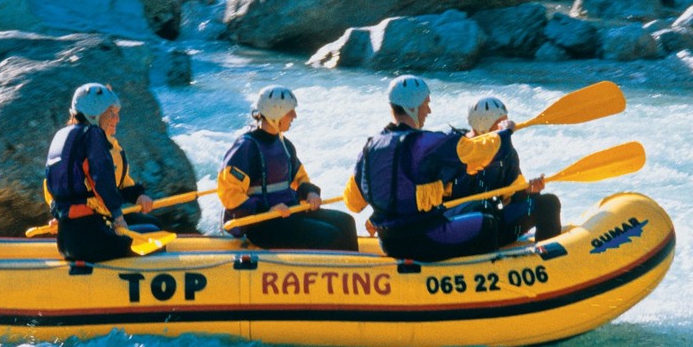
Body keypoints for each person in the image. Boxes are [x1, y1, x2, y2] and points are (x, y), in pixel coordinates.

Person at [343, 75, 508, 263]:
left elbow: (352, 203)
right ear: (412, 108)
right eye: (426, 104)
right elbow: (482, 153)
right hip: (425, 238)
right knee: (487, 223)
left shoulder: (370, 147)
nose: (428, 110)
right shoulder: (424, 143)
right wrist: (505, 132)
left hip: (388, 241)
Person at [219, 86, 360, 252]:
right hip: (262, 223)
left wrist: (309, 192)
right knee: (329, 236)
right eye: (290, 112)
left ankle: (353, 272)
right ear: (275, 114)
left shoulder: (284, 145)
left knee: (346, 222)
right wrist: (266, 210)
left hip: (287, 213)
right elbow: (229, 192)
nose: (294, 116)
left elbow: (300, 178)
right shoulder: (246, 148)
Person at [45, 82, 162, 263]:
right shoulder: (93, 136)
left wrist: (59, 217)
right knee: (155, 233)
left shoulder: (63, 136)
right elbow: (102, 181)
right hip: (91, 240)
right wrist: (118, 217)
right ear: (94, 114)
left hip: (67, 240)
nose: (117, 119)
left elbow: (55, 189)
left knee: (149, 225)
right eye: (111, 113)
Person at [452, 95, 562, 244]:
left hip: (500, 223)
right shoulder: (458, 149)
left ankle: (548, 255)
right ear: (483, 125)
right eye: (500, 123)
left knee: (548, 202)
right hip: (465, 228)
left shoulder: (507, 152)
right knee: (483, 211)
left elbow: (517, 195)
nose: (506, 127)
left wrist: (529, 191)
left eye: (506, 121)